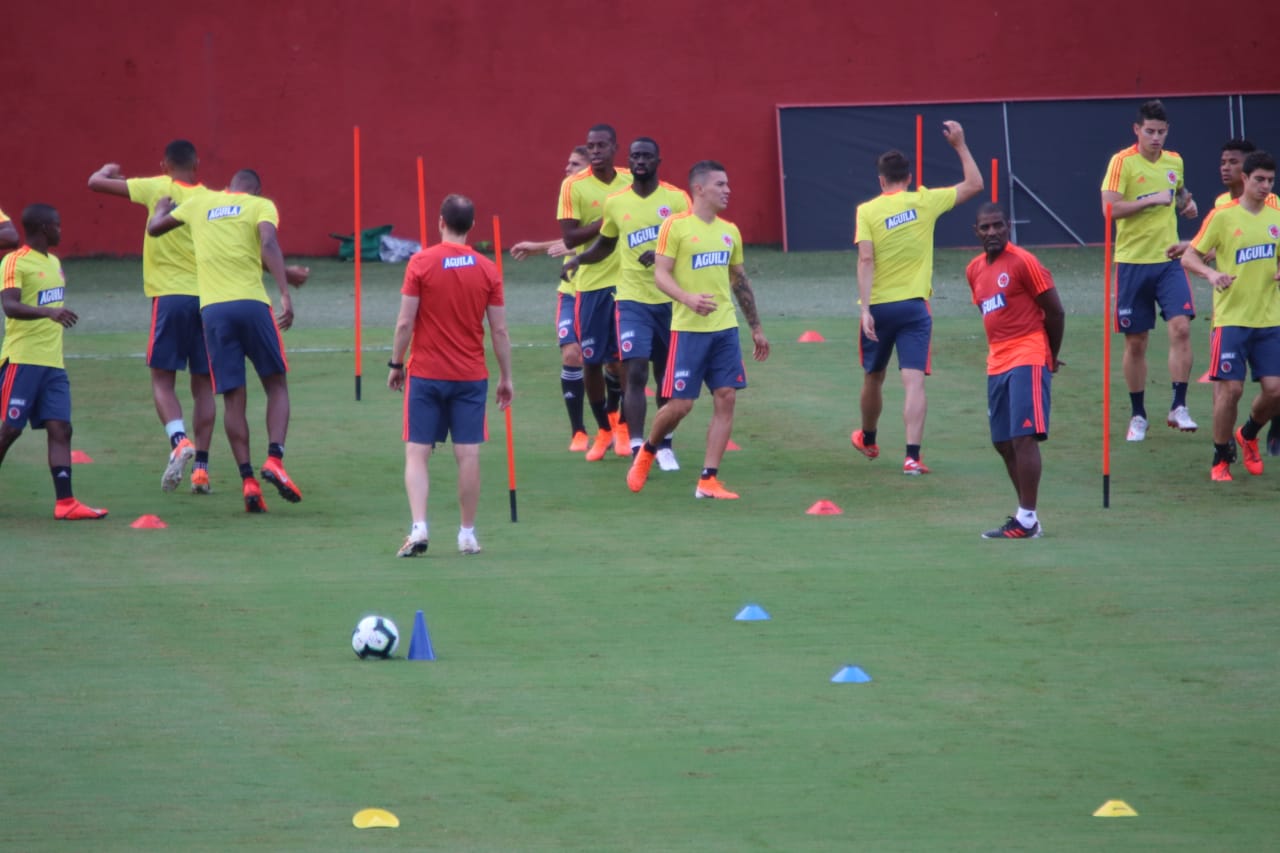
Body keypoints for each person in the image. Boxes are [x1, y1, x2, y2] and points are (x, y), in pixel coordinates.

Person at [146, 169, 301, 513]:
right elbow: (269, 244)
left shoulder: (200, 203)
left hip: (213, 312)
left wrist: (158, 209)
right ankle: (274, 459)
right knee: (276, 385)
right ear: (256, 190)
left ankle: (248, 481)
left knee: (234, 397)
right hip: (252, 305)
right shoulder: (261, 205)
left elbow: (155, 229)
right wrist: (286, 294)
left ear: (229, 188)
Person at [626, 160, 770, 499]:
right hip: (688, 331)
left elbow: (739, 280)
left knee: (727, 396)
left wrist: (756, 327)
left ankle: (708, 479)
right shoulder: (675, 227)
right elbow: (661, 274)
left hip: (725, 330)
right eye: (720, 184)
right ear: (699, 189)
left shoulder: (729, 231)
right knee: (681, 405)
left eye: (728, 184)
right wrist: (687, 298)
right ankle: (648, 451)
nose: (727, 190)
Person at [851, 120, 984, 474]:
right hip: (914, 307)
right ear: (909, 178)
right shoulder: (925, 201)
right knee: (913, 381)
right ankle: (912, 456)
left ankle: (868, 437)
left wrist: (865, 309)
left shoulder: (867, 211)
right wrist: (959, 145)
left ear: (881, 181)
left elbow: (865, 259)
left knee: (873, 376)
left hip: (878, 307)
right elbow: (975, 184)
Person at [87, 140, 217, 494]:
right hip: (207, 299)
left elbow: (94, 184)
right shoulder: (210, 198)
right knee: (204, 384)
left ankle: (178, 441)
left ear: (164, 165)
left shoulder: (155, 187)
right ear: (198, 164)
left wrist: (107, 171)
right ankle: (201, 471)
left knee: (162, 380)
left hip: (170, 298)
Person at [388, 194, 513, 557]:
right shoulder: (488, 269)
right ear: (472, 226)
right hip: (471, 375)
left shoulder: (421, 263)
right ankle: (467, 534)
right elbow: (500, 331)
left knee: (416, 452)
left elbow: (405, 321)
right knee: (468, 454)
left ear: (440, 221)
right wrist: (506, 377)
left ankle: (419, 527)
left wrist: (396, 364)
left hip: (426, 373)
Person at [562, 137, 690, 470]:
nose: (640, 161)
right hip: (631, 299)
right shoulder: (617, 203)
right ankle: (637, 448)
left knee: (665, 375)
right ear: (629, 161)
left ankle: (663, 444)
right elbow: (606, 243)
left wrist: (664, 255)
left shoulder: (676, 199)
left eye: (646, 156)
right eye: (635, 157)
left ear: (658, 159)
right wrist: (580, 261)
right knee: (634, 370)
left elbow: (691, 244)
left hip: (668, 299)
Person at [1100, 99, 1200, 442]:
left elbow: (1180, 193)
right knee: (1137, 342)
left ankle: (1178, 405)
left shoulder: (1175, 161)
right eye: (1150, 131)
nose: (1156, 138)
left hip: (1169, 261)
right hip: (1131, 263)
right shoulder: (1121, 162)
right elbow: (1109, 210)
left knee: (1181, 328)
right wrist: (1150, 200)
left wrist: (1187, 204)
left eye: (1161, 132)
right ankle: (1138, 414)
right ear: (1137, 130)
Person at [0, 204, 109, 520]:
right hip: (23, 360)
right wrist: (50, 312)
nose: (62, 230)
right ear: (45, 228)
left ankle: (66, 503)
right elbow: (9, 306)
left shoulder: (54, 263)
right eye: (58, 225)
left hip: (53, 364)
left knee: (61, 428)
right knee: (10, 430)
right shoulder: (14, 261)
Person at [965, 204, 1064, 538]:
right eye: (985, 227)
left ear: (1008, 227)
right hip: (997, 362)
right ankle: (1026, 518)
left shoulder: (1024, 262)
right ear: (976, 232)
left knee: (1024, 436)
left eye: (998, 226)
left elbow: (1056, 311)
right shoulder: (974, 270)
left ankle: (1027, 518)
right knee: (1003, 442)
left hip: (1029, 353)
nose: (992, 232)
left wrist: (1050, 354)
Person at [1180, 151, 1280, 481]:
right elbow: (1190, 257)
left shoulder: (1277, 216)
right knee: (1230, 391)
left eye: (1270, 180)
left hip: (1269, 319)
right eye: (1259, 180)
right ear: (1245, 180)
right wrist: (1210, 275)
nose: (1265, 186)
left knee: (1276, 390)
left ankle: (1248, 434)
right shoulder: (1222, 217)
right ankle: (1220, 456)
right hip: (1231, 320)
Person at [558, 124, 633, 461]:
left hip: (628, 284)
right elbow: (571, 239)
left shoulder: (630, 181)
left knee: (625, 360)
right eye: (591, 146)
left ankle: (625, 426)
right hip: (590, 285)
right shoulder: (573, 186)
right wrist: (609, 220)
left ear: (614, 147)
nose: (596, 151)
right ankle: (602, 427)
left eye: (602, 145)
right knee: (591, 361)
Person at [510, 145, 590, 451]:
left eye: (574, 164)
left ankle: (617, 426)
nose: (566, 169)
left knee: (611, 365)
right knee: (571, 354)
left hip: (603, 290)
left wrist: (551, 247)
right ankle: (579, 432)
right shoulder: (570, 198)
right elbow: (572, 240)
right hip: (571, 290)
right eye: (567, 163)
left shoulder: (608, 199)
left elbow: (604, 238)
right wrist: (539, 247)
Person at [1211, 138, 1280, 455]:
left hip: (1270, 310)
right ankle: (1222, 449)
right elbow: (1213, 246)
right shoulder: (1222, 209)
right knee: (1229, 387)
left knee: (1275, 388)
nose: (1227, 167)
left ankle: (1258, 431)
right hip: (1234, 313)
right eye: (1224, 162)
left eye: (1233, 161)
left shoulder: (1275, 208)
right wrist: (1204, 262)